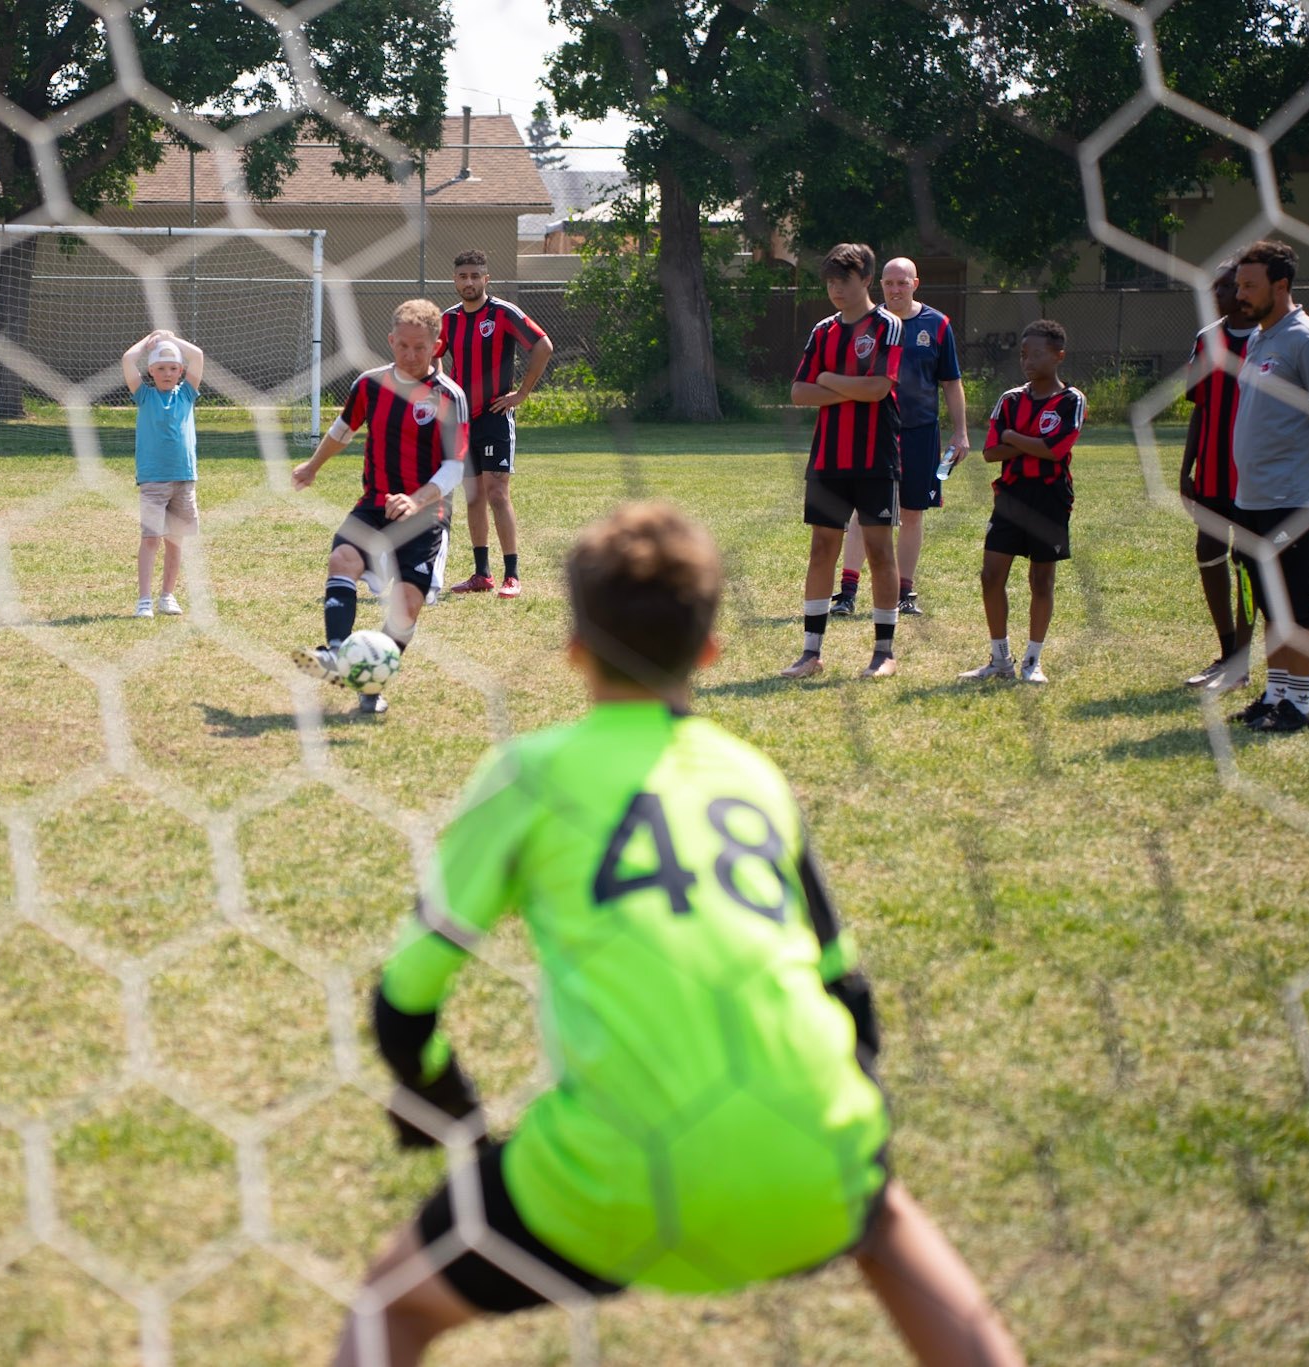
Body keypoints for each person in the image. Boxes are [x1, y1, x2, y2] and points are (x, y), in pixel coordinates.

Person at [333, 502, 1025, 1367]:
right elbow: (850, 996)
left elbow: (404, 1005)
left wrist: (456, 1123)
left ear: (574, 650)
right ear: (709, 652)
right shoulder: (752, 775)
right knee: (885, 1224)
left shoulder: (530, 774)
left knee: (389, 1305)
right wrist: (853, 1148)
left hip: (608, 1180)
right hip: (806, 1149)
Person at [291, 299, 468, 716]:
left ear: (436, 346)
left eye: (419, 348)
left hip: (426, 515)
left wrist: (416, 498)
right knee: (343, 558)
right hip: (373, 506)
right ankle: (336, 654)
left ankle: (370, 686)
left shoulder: (449, 396)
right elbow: (343, 430)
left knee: (406, 607)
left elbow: (455, 466)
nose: (409, 355)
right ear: (390, 340)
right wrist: (313, 466)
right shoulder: (370, 386)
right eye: (402, 346)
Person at [1225, 239, 1309, 734]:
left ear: (1281, 286)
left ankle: (1299, 706)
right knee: (1269, 602)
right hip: (1254, 496)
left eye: (1250, 285)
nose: (1241, 294)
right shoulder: (1260, 337)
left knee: (1297, 604)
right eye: (1239, 285)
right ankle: (1276, 695)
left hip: (1295, 498)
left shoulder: (1308, 339)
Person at [782, 243, 904, 680]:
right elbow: (798, 393)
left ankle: (884, 653)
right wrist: (853, 385)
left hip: (875, 457)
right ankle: (811, 653)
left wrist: (830, 380)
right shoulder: (823, 331)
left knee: (878, 551)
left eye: (844, 280)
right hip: (829, 459)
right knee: (821, 549)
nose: (836, 289)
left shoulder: (887, 325)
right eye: (830, 281)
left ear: (866, 280)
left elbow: (879, 389)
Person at [831, 257, 968, 618]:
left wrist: (961, 432)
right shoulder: (868, 323)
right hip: (875, 429)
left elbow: (951, 383)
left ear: (915, 284)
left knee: (911, 513)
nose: (894, 289)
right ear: (880, 285)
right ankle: (846, 592)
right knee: (865, 512)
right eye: (889, 283)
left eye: (902, 283)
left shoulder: (937, 325)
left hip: (921, 433)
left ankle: (905, 593)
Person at [957, 319, 1084, 685]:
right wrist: (1024, 442)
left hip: (1049, 499)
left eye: (1038, 354)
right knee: (990, 576)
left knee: (1041, 580)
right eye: (1024, 354)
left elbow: (1056, 449)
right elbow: (991, 452)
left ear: (1059, 356)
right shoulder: (1011, 399)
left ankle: (1033, 661)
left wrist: (1014, 435)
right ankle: (1000, 660)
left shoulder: (1070, 400)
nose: (1028, 361)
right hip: (1010, 497)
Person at [437, 249, 553, 600]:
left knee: (497, 493)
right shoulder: (449, 319)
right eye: (462, 277)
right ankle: (481, 574)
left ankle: (512, 575)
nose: (469, 282)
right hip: (462, 420)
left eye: (475, 276)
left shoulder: (502, 313)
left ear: (486, 279)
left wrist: (522, 393)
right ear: (455, 280)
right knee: (473, 496)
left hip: (495, 417)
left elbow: (543, 345)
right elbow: (433, 358)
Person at [1179, 264, 1257, 692]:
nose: (1220, 293)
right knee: (1208, 553)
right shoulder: (1208, 338)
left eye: (1227, 286)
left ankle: (1240, 664)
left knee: (1246, 565)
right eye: (1216, 287)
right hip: (1210, 474)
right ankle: (1226, 652)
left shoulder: (1270, 339)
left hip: (1253, 478)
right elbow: (1200, 408)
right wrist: (1185, 467)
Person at [120, 328, 205, 619]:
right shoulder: (144, 396)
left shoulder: (187, 395)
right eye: (160, 368)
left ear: (181, 370)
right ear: (151, 372)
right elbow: (128, 360)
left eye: (173, 368)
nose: (167, 373)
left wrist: (172, 339)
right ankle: (144, 599)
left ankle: (167, 596)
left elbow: (199, 356)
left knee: (175, 540)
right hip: (153, 480)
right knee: (151, 539)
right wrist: (151, 340)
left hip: (184, 479)